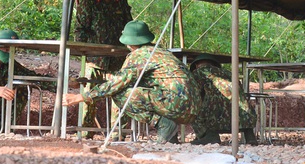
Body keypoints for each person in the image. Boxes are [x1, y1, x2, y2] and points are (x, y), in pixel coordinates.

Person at [64, 20, 202, 144]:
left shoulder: (139, 55)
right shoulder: (162, 52)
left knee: (121, 94)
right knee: (151, 92)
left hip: (176, 104)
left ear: (129, 42)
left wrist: (81, 97)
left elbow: (117, 84)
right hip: (194, 109)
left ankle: (163, 124)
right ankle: (170, 136)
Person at [73, 0, 132, 136]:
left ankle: (117, 134)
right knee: (88, 97)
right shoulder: (89, 3)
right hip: (94, 59)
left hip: (117, 60)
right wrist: (85, 49)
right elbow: (80, 30)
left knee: (119, 95)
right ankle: (85, 134)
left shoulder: (122, 2)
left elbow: (128, 27)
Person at [189, 54, 258, 145]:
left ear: (197, 65)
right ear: (214, 64)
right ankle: (250, 136)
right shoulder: (229, 73)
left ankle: (209, 135)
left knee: (192, 110)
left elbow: (194, 94)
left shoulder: (197, 73)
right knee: (242, 105)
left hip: (217, 114)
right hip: (242, 115)